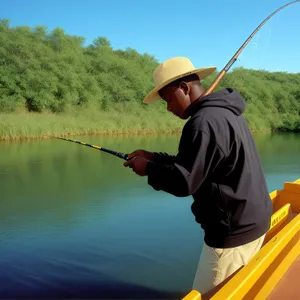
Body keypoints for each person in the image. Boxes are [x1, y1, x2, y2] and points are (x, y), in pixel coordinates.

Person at [123, 56, 273, 296]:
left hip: (232, 233)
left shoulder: (203, 122)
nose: (168, 107)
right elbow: (199, 164)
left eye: (168, 99)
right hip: (253, 219)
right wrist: (154, 157)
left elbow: (185, 182)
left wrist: (146, 169)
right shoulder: (225, 112)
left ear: (184, 88)